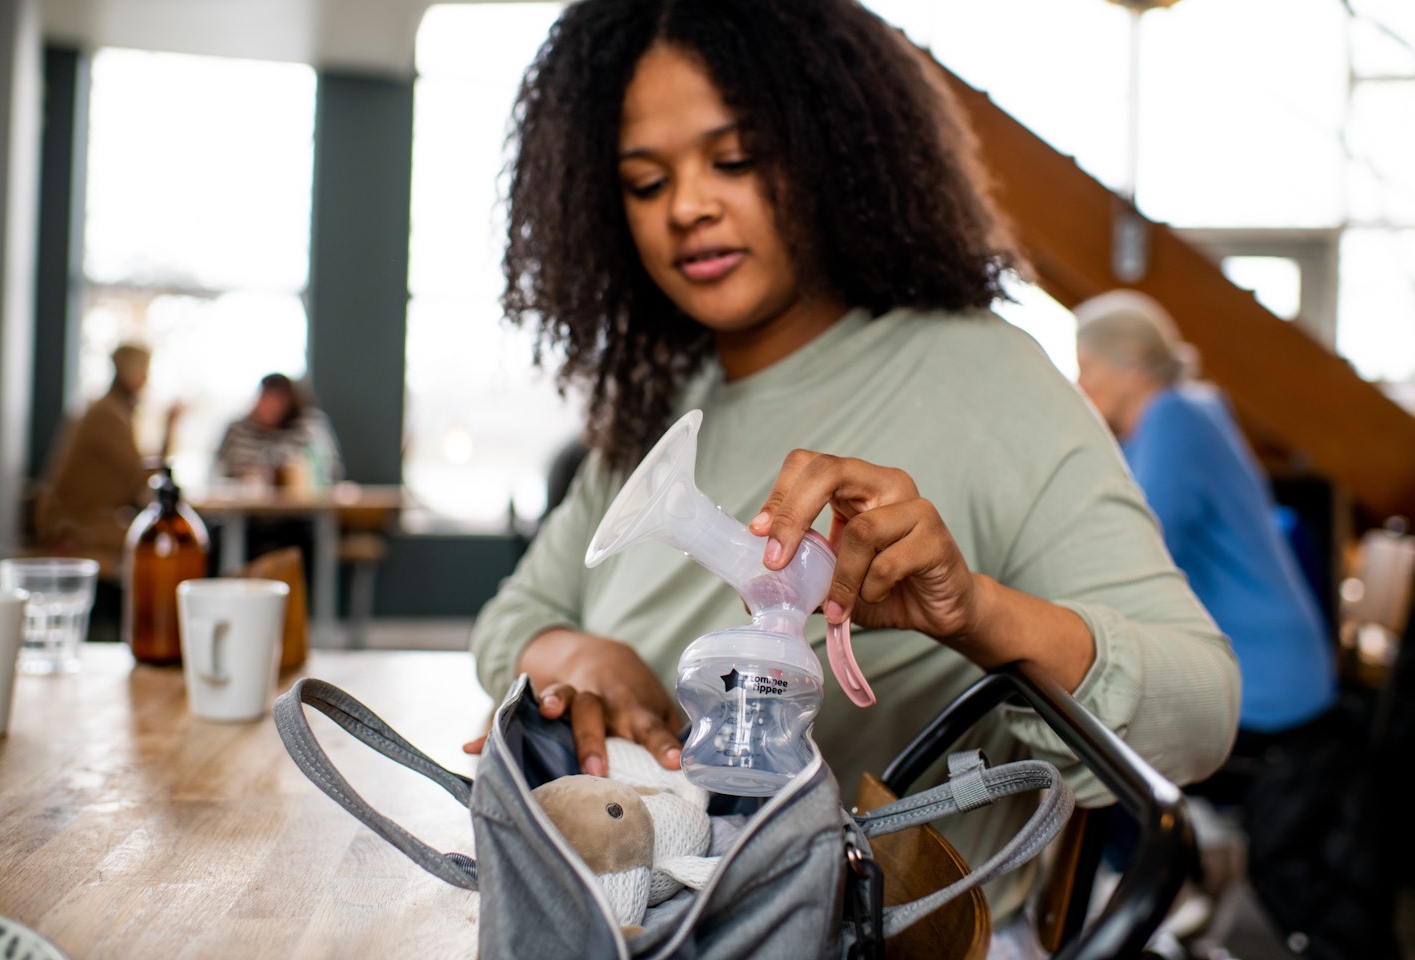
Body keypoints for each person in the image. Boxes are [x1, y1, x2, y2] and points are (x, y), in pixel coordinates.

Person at [467, 1, 1239, 949]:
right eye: (644, 180)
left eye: (736, 158)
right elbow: (512, 618)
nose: (688, 206)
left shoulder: (984, 376)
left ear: (833, 147)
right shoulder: (664, 400)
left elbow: (1202, 710)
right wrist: (582, 660)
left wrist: (977, 615)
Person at [1073, 289, 1337, 770]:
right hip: (1281, 664)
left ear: (1131, 363)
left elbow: (1137, 547)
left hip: (1266, 682)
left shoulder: (1175, 418)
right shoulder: (1184, 413)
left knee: (1097, 757)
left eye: (1087, 368)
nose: (1080, 384)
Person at [34, 343, 178, 578]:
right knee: (161, 543)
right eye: (146, 373)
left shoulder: (110, 410)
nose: (147, 381)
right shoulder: (107, 415)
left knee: (154, 538)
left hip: (80, 520)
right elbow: (140, 477)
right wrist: (170, 428)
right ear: (133, 374)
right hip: (75, 525)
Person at [213, 373, 344, 492]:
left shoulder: (309, 426)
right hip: (244, 510)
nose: (270, 405)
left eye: (278, 399)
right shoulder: (237, 430)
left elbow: (331, 471)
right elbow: (218, 472)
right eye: (266, 397)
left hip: (303, 510)